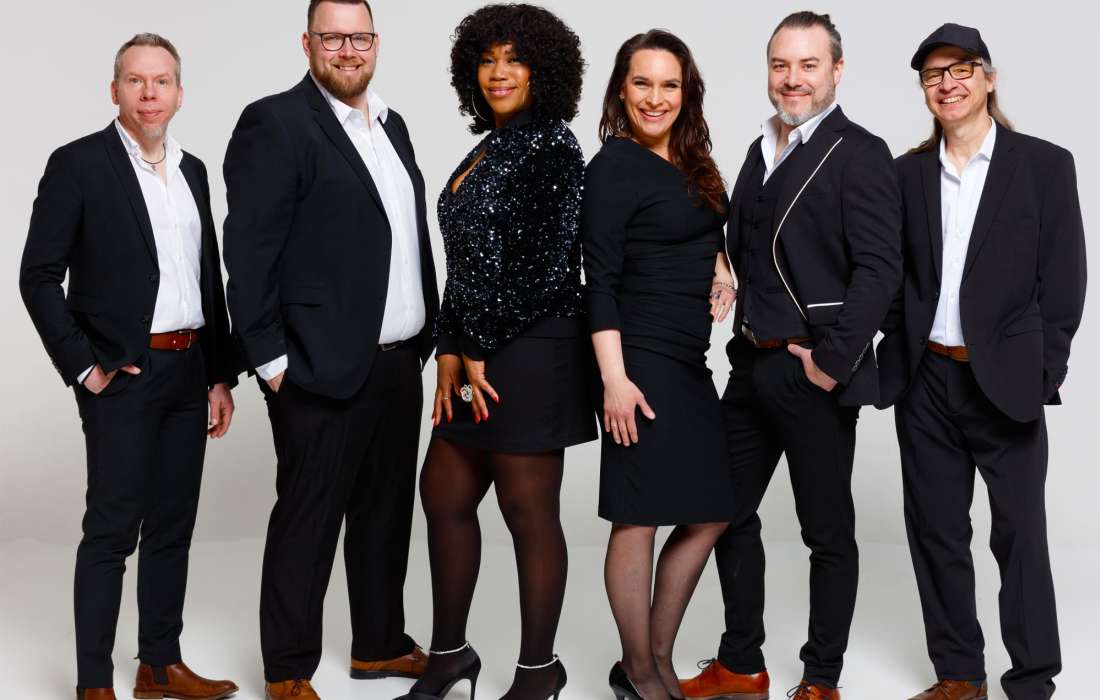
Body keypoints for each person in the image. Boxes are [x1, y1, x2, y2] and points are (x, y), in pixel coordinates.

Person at [679, 12, 902, 700]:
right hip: (750, 365)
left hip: (812, 371)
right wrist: (725, 267)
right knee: (722, 512)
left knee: (826, 533)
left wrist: (831, 363)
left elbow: (880, 270)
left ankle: (822, 678)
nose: (792, 78)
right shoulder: (760, 148)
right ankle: (741, 663)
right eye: (781, 65)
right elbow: (750, 240)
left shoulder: (860, 152)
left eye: (808, 64)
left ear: (837, 70)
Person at [221, 1, 439, 697]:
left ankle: (378, 644)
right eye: (333, 37)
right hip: (315, 366)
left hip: (398, 361)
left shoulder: (392, 124)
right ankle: (287, 668)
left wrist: (423, 335)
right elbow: (248, 252)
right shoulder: (276, 123)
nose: (348, 50)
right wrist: (271, 361)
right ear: (308, 43)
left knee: (385, 513)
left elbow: (400, 236)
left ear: (376, 42)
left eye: (359, 37)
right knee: (308, 519)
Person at [19, 33, 239, 700]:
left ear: (179, 93)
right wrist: (85, 367)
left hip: (189, 368)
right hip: (124, 375)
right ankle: (94, 682)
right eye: (136, 81)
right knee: (112, 530)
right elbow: (37, 276)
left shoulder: (194, 170)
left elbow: (206, 278)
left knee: (173, 525)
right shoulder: (78, 164)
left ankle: (159, 665)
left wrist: (219, 373)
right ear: (114, 90)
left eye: (162, 81)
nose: (150, 93)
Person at [877, 23, 1086, 700]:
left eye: (962, 68)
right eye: (934, 74)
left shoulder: (1044, 165)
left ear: (989, 80)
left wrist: (1045, 368)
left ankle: (1031, 682)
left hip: (1006, 381)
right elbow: (887, 276)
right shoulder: (905, 174)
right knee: (936, 533)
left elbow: (1064, 278)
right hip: (925, 380)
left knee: (1020, 536)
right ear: (924, 90)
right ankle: (960, 676)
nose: (948, 83)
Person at [400, 5, 596, 700]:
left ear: (544, 71)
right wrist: (451, 347)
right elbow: (469, 265)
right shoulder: (490, 145)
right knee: (444, 492)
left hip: (533, 348)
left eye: (515, 60)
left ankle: (539, 671)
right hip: (478, 346)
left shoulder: (552, 147)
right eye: (487, 59)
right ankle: (450, 655)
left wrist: (476, 343)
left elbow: (543, 269)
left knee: (526, 509)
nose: (499, 73)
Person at [583, 29, 738, 700]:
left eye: (669, 84)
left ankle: (656, 658)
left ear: (686, 91)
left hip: (688, 361)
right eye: (642, 83)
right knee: (639, 516)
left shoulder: (691, 159)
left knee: (711, 511)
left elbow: (699, 229)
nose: (655, 97)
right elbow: (600, 281)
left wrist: (721, 265)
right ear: (621, 90)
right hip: (637, 360)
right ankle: (641, 671)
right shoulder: (613, 166)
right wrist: (614, 380)